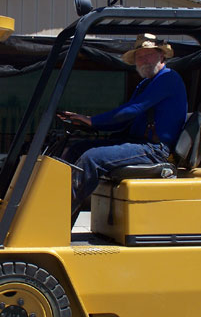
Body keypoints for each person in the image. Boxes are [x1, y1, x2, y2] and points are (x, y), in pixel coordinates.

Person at [59, 33, 187, 223]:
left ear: (161, 56)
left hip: (154, 149)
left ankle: (58, 222)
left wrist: (93, 121)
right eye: (139, 56)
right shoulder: (145, 84)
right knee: (77, 148)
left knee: (91, 159)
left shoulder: (168, 78)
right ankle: (56, 208)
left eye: (148, 55)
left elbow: (132, 110)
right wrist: (88, 123)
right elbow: (125, 120)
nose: (143, 60)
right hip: (137, 143)